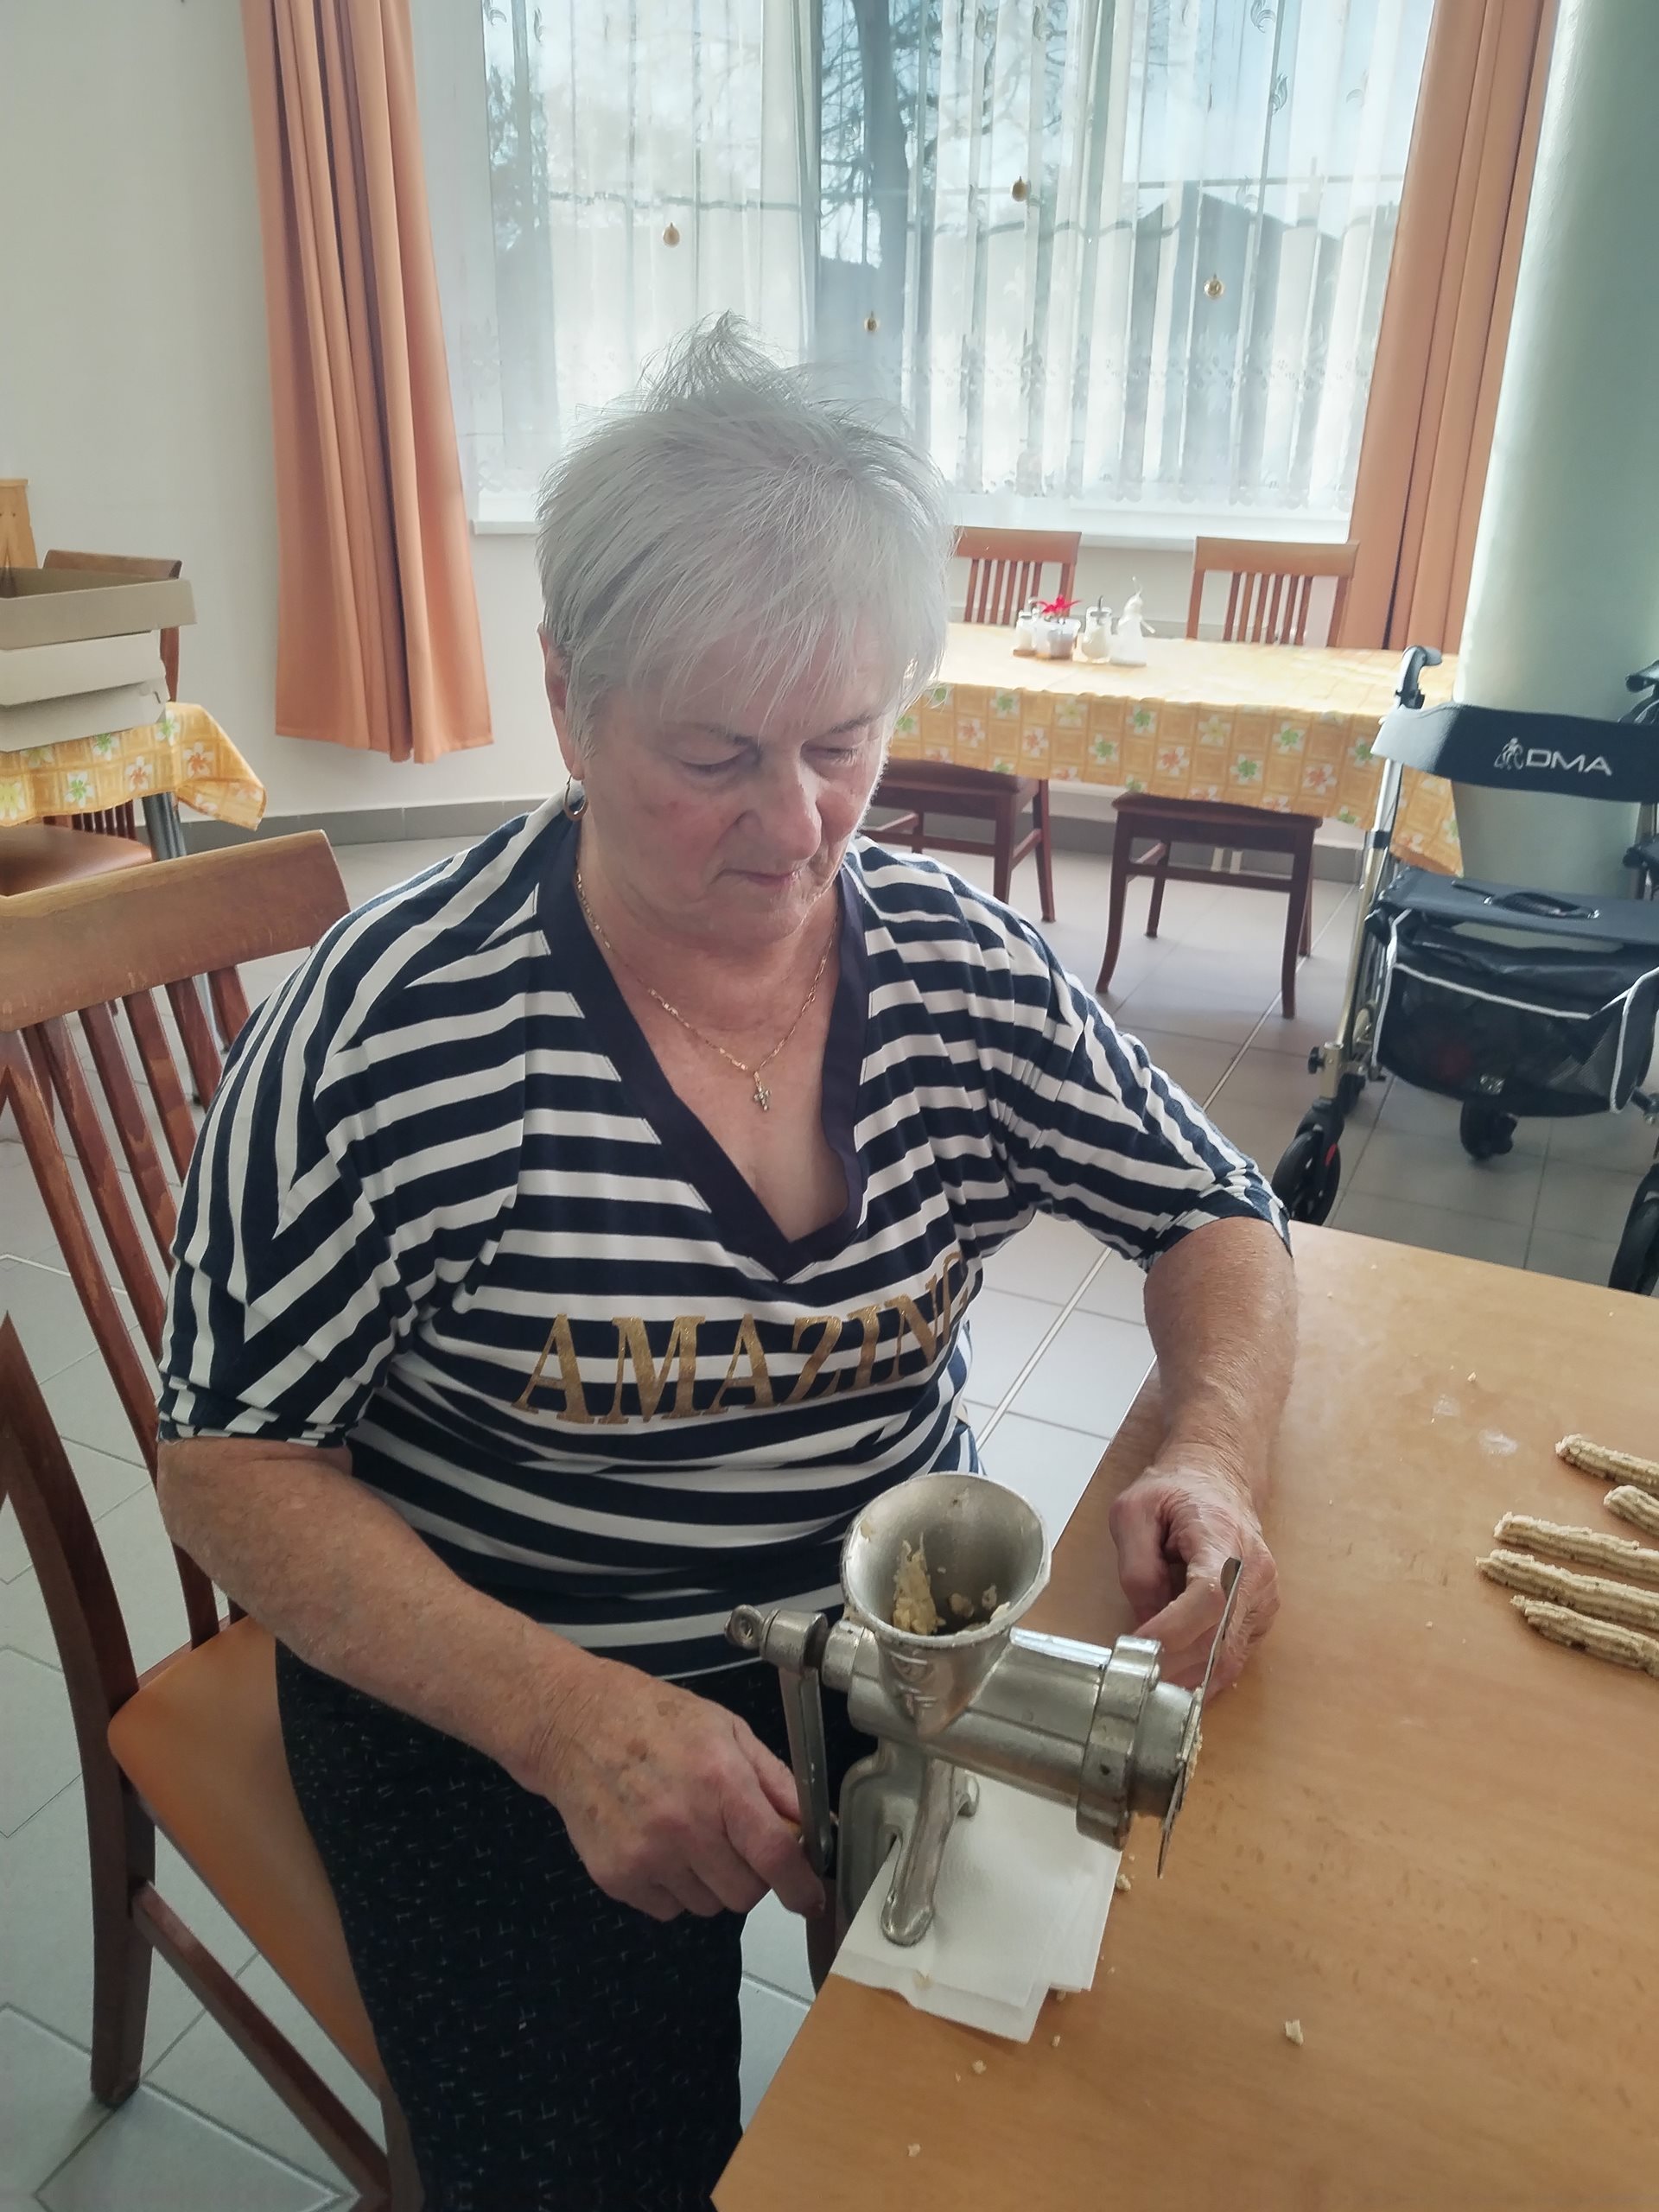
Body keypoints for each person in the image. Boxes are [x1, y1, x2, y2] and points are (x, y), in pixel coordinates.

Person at [156, 319, 1295, 2209]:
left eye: (843, 744)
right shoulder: (396, 1037)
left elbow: (1213, 1209)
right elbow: (225, 1460)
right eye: (715, 758)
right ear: (566, 699)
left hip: (892, 1641)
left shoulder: (956, 972)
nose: (798, 828)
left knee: (1035, 2118)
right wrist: (561, 1717)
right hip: (509, 1698)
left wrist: (1216, 1447)